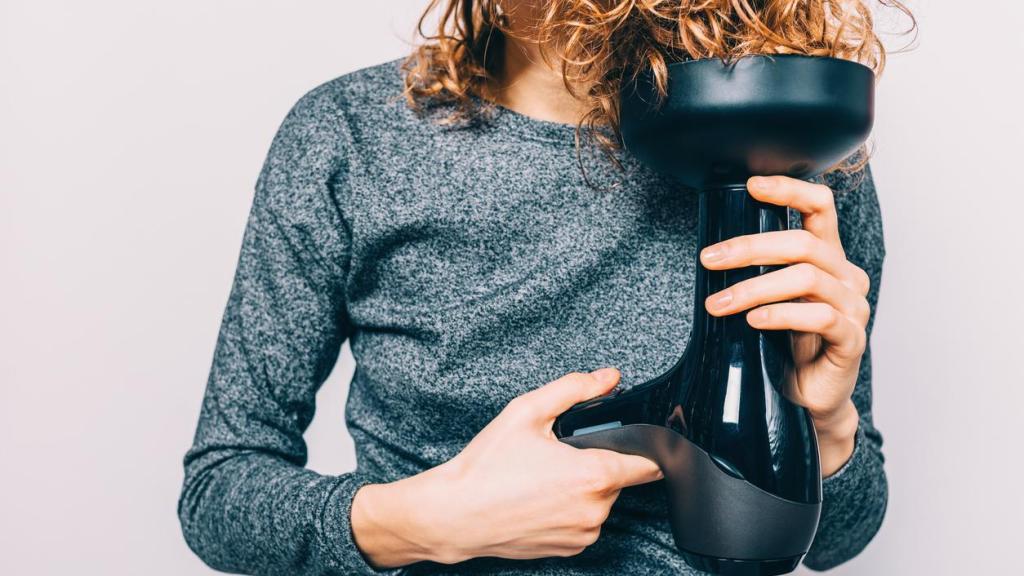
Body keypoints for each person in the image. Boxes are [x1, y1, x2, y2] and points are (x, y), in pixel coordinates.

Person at [178, 1, 911, 574]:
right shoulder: (350, 135)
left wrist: (827, 422)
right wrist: (427, 521)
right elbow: (220, 490)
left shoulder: (788, 147)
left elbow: (842, 537)